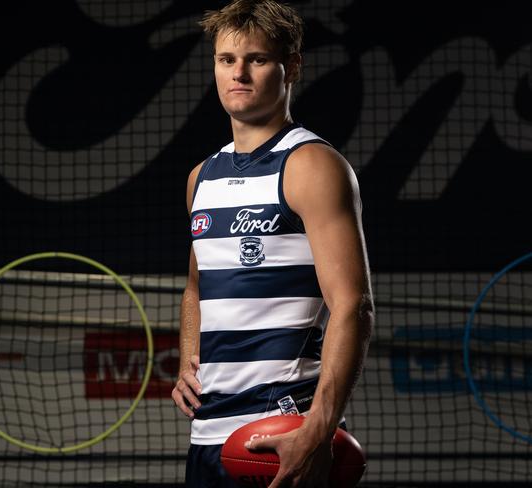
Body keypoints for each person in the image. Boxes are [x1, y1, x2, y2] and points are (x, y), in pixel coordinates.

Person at [171, 1, 374, 486]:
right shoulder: (201, 176)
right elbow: (198, 288)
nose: (238, 73)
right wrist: (187, 357)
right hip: (208, 436)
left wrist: (318, 430)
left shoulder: (311, 165)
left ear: (293, 68)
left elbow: (354, 305)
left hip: (283, 429)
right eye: (226, 60)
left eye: (257, 59)